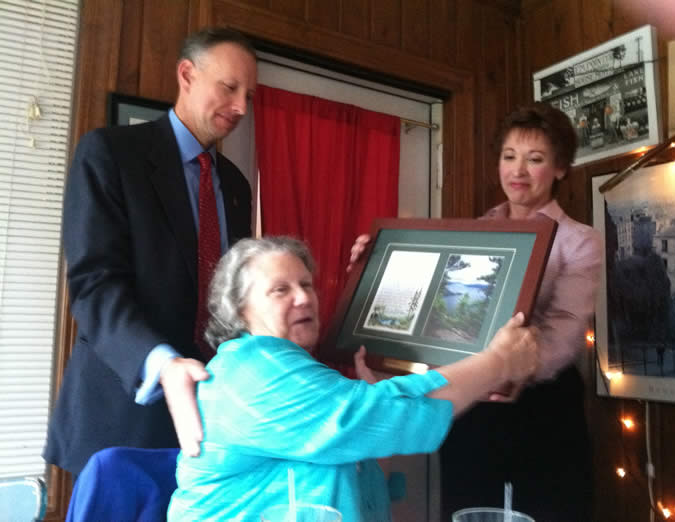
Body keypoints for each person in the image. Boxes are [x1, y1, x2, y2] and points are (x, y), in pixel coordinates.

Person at [167, 236, 539, 521]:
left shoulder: (294, 372)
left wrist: (376, 394)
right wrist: (499, 362)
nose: (303, 298)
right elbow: (377, 417)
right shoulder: (252, 373)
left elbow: (362, 446)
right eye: (281, 290)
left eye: (307, 284)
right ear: (240, 310)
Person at [43, 27, 257, 476]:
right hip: (124, 412)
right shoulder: (112, 155)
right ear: (186, 74)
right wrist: (163, 365)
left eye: (248, 96)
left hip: (210, 418)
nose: (240, 108)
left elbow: (234, 297)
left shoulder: (235, 185)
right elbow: (93, 284)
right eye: (229, 88)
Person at [439, 103, 603, 522]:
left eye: (536, 160)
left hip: (541, 405)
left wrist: (512, 368)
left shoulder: (578, 240)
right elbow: (448, 314)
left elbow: (565, 329)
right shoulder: (476, 230)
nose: (519, 170)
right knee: (466, 506)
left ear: (561, 168)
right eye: (509, 156)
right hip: (475, 400)